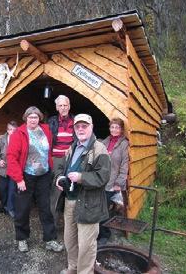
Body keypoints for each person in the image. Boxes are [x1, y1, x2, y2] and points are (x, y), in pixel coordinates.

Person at [55, 114, 111, 274]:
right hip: (70, 201)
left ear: (91, 127)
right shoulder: (72, 147)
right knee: (70, 240)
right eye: (77, 126)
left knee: (86, 245)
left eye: (84, 126)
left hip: (89, 204)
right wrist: (59, 178)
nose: (80, 129)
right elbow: (60, 168)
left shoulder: (100, 149)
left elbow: (104, 176)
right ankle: (72, 268)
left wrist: (81, 177)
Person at [7, 106, 63, 253]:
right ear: (26, 118)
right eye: (30, 117)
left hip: (44, 175)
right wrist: (19, 179)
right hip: (26, 176)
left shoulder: (45, 130)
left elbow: (49, 150)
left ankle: (50, 240)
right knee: (23, 209)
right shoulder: (19, 133)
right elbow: (11, 157)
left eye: (36, 117)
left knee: (46, 208)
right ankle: (22, 239)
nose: (33, 119)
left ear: (40, 118)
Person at [97, 117, 129, 245]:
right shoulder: (104, 142)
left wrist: (119, 183)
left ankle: (105, 234)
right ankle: (97, 233)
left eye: (117, 127)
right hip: (101, 181)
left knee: (106, 210)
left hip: (112, 182)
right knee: (98, 207)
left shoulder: (124, 144)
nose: (114, 129)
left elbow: (124, 165)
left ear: (121, 130)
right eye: (112, 127)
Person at [48, 95, 75, 227]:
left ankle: (71, 224)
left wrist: (73, 148)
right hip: (56, 160)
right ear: (57, 107)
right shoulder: (51, 121)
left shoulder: (76, 121)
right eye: (60, 106)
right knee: (55, 191)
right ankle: (52, 224)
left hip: (72, 159)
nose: (63, 108)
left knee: (72, 189)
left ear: (69, 106)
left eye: (65, 105)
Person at [0, 121, 18, 218]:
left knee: (12, 189)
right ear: (7, 130)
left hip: (14, 169)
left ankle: (10, 208)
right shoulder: (2, 139)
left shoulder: (20, 139)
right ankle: (5, 206)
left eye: (14, 130)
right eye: (10, 129)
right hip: (3, 169)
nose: (12, 132)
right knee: (3, 189)